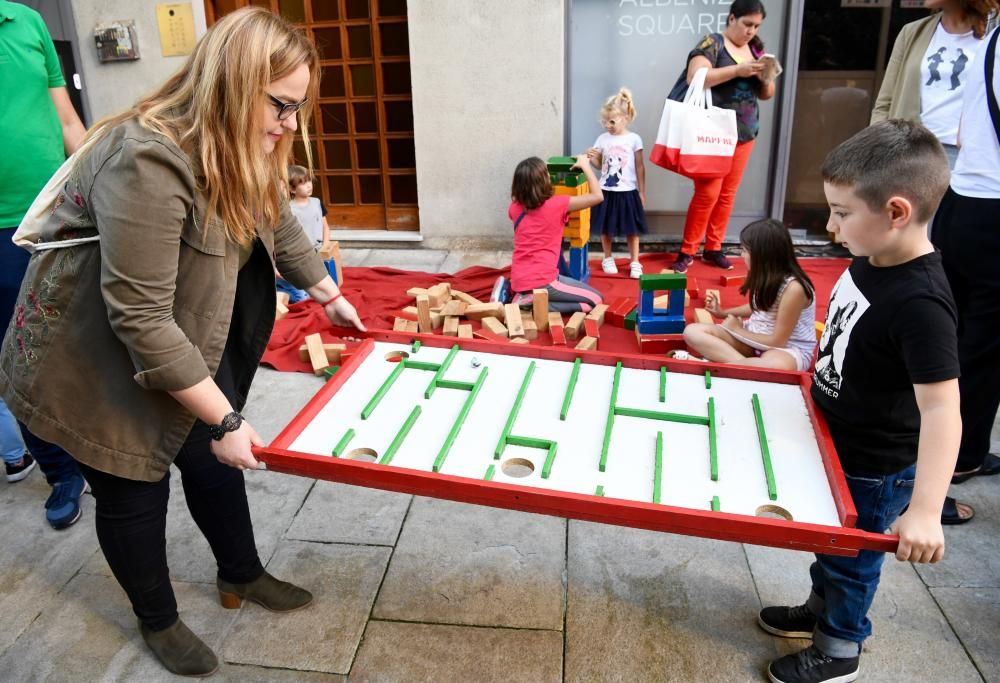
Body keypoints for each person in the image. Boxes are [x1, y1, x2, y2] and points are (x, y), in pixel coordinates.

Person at [0, 8, 365, 677]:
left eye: (296, 110)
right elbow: (138, 318)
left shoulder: (242, 140)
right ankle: (158, 617)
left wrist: (328, 292)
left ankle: (241, 572)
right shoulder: (147, 157)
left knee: (210, 461)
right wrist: (224, 416)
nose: (288, 126)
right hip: (96, 355)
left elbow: (276, 215)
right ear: (234, 83)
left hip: (175, 337)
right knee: (135, 485)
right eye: (281, 107)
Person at [758, 120, 960, 683]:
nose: (830, 225)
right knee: (832, 545)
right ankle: (820, 610)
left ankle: (840, 646)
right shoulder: (870, 259)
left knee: (853, 561)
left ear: (896, 211)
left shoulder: (922, 303)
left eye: (842, 213)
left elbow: (944, 410)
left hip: (874, 466)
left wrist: (924, 511)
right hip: (836, 440)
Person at [0, 0, 90, 528]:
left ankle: (100, 451)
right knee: (16, 358)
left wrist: (98, 185)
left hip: (55, 214)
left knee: (76, 338)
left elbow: (65, 118)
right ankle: (62, 472)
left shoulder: (27, 21)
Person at [930, 25, 1000, 522]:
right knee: (976, 347)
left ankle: (967, 449)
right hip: (988, 202)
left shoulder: (992, 35)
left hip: (968, 196)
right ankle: (947, 470)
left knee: (968, 341)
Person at [671, 0, 776, 274]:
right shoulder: (712, 43)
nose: (751, 31)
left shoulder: (757, 48)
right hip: (712, 134)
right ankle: (687, 250)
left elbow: (766, 94)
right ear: (732, 19)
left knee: (727, 194)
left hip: (744, 132)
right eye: (747, 24)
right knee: (707, 193)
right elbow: (697, 76)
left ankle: (713, 248)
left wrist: (765, 77)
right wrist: (738, 71)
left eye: (756, 26)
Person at [871, 0, 1000, 169]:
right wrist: (876, 149)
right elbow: (884, 103)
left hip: (976, 158)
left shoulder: (994, 32)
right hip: (911, 152)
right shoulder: (912, 32)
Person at [682, 218, 816, 371]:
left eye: (745, 250)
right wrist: (722, 313)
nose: (742, 255)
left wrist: (737, 330)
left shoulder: (794, 288)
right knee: (692, 332)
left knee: (777, 366)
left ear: (762, 254)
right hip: (753, 338)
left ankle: (722, 366)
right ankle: (744, 366)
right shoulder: (765, 275)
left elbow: (778, 341)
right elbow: (759, 306)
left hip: (785, 350)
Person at [507, 156, 604, 313]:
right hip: (544, 280)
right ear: (545, 181)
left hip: (519, 279)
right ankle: (534, 305)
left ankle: (526, 296)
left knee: (580, 294)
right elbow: (598, 196)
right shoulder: (559, 204)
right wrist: (586, 166)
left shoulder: (514, 208)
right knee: (596, 299)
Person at [586, 87, 648, 279]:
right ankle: (607, 257)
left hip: (628, 191)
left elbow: (640, 167)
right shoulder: (602, 139)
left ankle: (635, 261)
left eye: (611, 121)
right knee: (606, 228)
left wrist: (642, 192)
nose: (607, 126)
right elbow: (599, 165)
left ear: (625, 118)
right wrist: (593, 158)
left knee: (632, 229)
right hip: (606, 190)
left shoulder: (634, 139)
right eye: (605, 122)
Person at [275, 164, 331, 303]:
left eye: (309, 181)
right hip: (298, 255)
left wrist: (326, 245)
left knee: (323, 288)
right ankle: (279, 290)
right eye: (302, 183)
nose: (308, 186)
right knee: (302, 298)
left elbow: (325, 226)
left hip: (316, 251)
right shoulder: (288, 209)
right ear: (292, 189)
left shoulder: (317, 203)